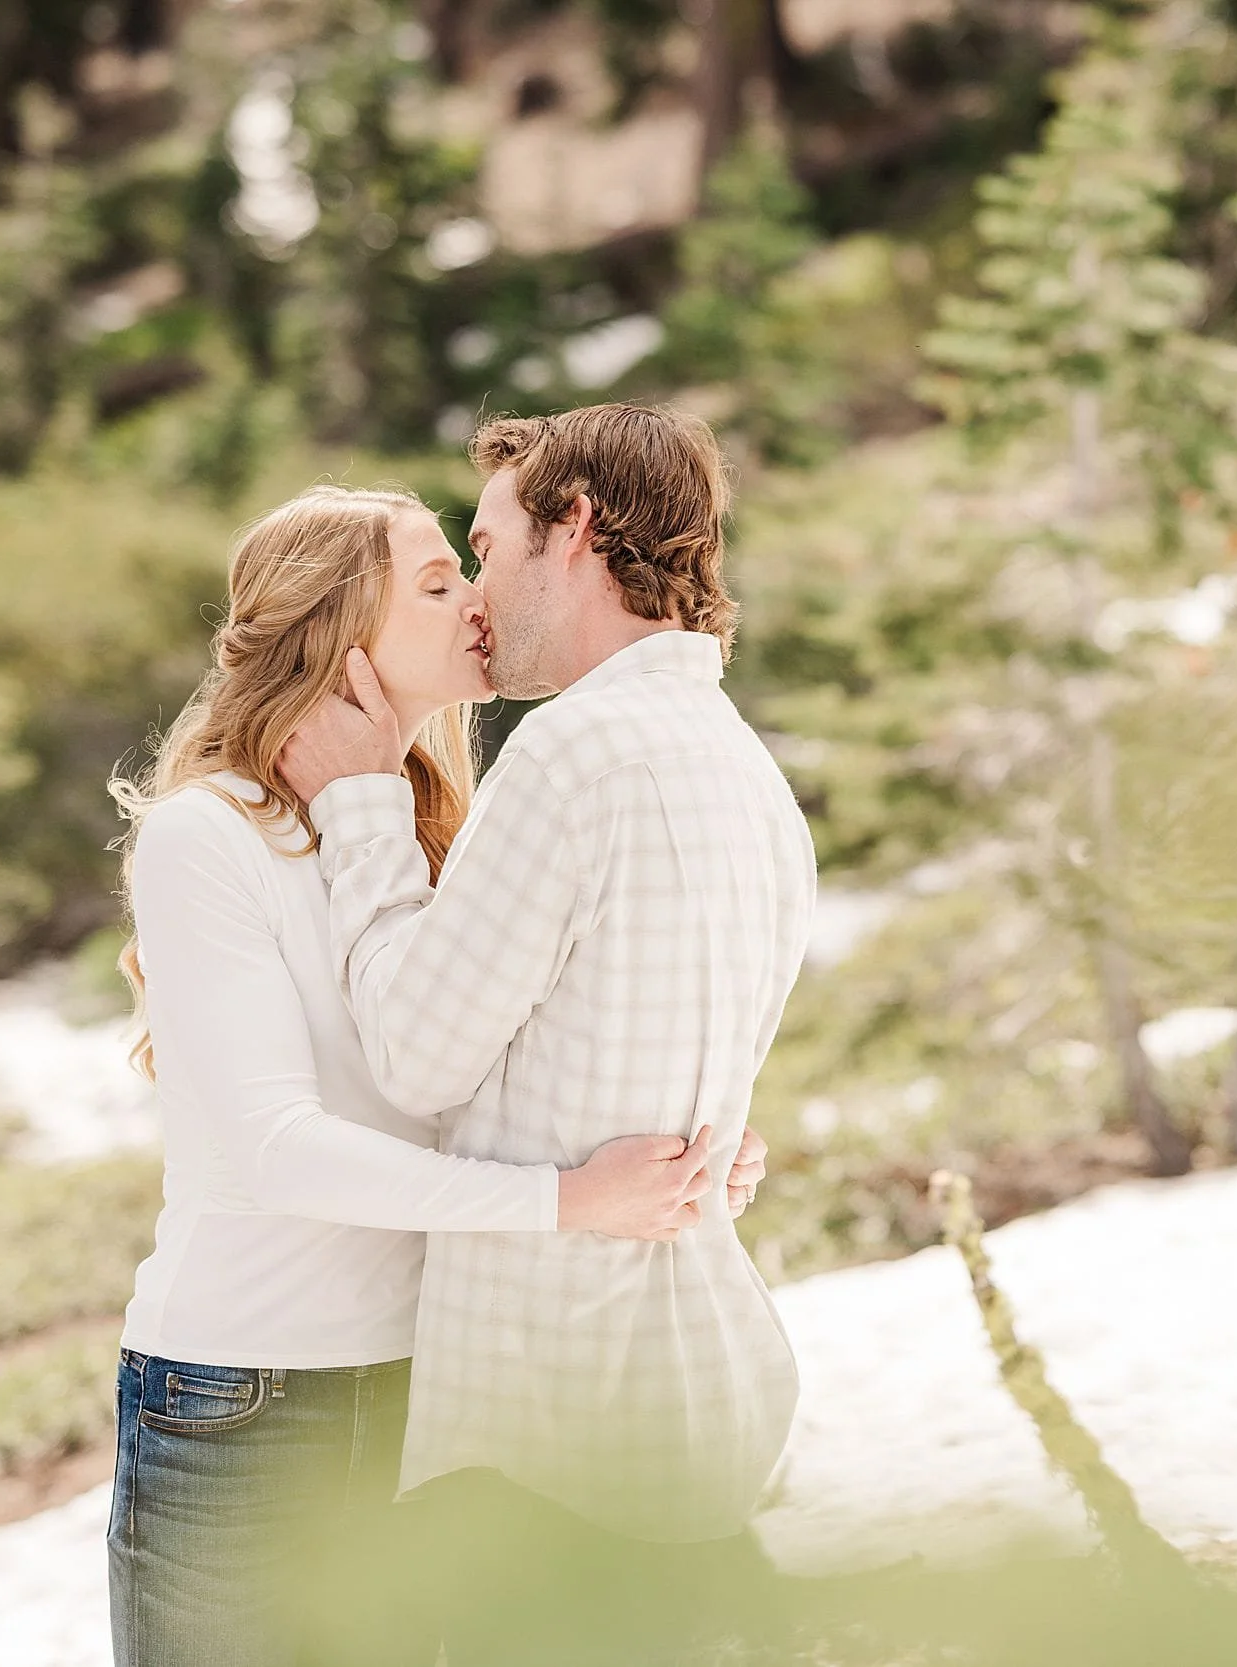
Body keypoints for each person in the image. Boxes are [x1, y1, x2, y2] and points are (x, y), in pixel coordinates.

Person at [107, 482, 769, 1667]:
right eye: (434, 581)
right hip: (243, 1399)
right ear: (334, 633)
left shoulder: (434, 831)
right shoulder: (208, 836)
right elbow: (281, 1149)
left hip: (431, 1388)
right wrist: (570, 1199)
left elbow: (494, 1076)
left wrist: (681, 1151)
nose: (478, 598)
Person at [277, 405, 815, 1660]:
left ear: (572, 529)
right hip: (684, 1410)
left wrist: (362, 804)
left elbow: (414, 1051)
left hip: (548, 1427)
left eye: (488, 542)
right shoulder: (746, 771)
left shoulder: (574, 752)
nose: (474, 587)